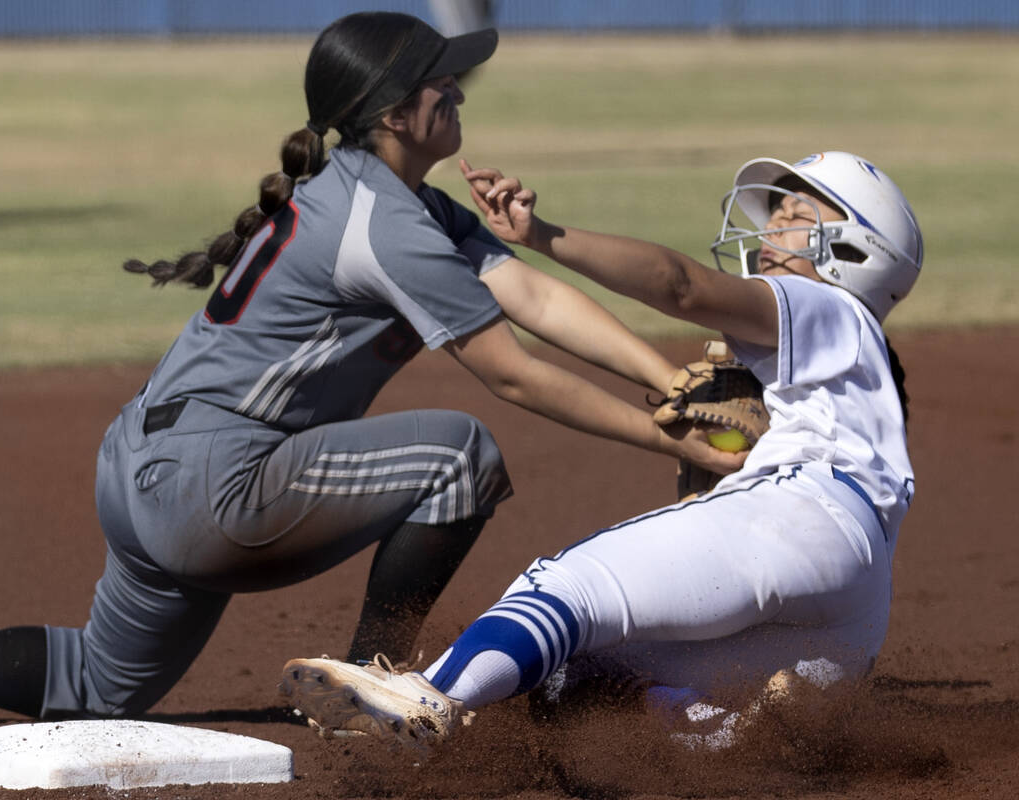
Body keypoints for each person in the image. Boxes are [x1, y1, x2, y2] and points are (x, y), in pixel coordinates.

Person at [0, 12, 738, 724]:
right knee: (461, 458)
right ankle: (378, 685)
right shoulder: (389, 225)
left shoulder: (380, 197)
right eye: (436, 80)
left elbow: (532, 298)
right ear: (391, 113)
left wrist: (664, 386)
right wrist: (652, 429)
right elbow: (513, 373)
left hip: (140, 466)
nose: (455, 85)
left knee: (102, 684)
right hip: (215, 486)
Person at [280, 150, 923, 751]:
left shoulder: (824, 304)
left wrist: (542, 236)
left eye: (797, 212)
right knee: (584, 677)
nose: (773, 223)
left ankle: (430, 693)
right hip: (855, 608)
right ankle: (727, 732)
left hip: (803, 514)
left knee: (565, 589)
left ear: (853, 249)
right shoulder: (863, 372)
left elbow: (680, 286)